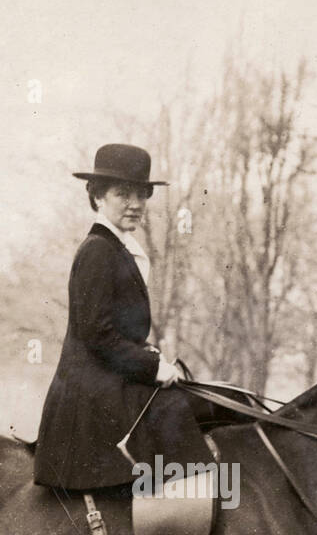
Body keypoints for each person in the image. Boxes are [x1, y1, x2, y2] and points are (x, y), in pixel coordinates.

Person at [33, 143, 214, 492]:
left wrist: (150, 355)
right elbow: (97, 335)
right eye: (122, 194)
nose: (135, 204)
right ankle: (174, 532)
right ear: (98, 197)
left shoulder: (119, 248)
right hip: (89, 394)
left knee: (199, 402)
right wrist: (152, 368)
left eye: (141, 195)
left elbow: (119, 332)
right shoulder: (99, 251)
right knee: (174, 411)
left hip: (109, 380)